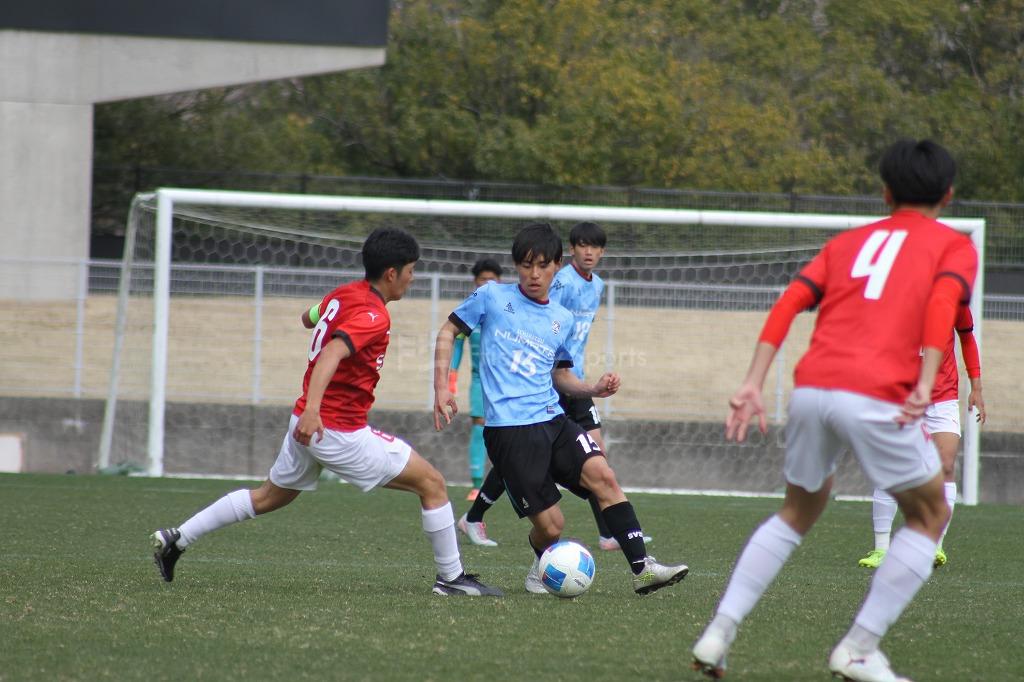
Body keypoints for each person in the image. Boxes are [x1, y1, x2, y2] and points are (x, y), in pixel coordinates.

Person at [691, 139, 977, 681]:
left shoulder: (846, 242)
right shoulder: (954, 246)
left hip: (812, 389)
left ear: (885, 192)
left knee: (797, 511)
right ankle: (860, 648)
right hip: (876, 394)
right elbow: (943, 305)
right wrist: (925, 381)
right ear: (948, 194)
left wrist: (753, 381)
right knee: (931, 514)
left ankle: (718, 633)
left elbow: (789, 302)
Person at [151, 227, 502, 597]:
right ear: (391, 273)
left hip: (307, 421)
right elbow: (333, 352)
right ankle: (451, 578)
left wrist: (310, 407)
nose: (413, 279)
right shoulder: (374, 315)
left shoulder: (345, 293)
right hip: (334, 429)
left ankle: (178, 538)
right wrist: (315, 411)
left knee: (268, 497)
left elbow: (308, 318)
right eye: (411, 271)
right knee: (432, 483)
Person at [435, 222, 688, 595]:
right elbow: (447, 331)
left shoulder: (561, 318)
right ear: (516, 266)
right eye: (526, 265)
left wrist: (593, 389)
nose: (534, 274)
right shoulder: (491, 296)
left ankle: (643, 569)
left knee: (604, 475)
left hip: (554, 420)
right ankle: (539, 564)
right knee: (552, 526)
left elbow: (560, 374)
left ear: (556, 265)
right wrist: (442, 386)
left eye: (542, 265)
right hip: (510, 431)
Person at [459, 222, 650, 551]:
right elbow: (539, 318)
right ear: (570, 251)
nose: (589, 252)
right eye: (582, 245)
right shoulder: (559, 282)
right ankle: (475, 516)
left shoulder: (597, 285)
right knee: (528, 454)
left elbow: (568, 333)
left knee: (597, 456)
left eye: (595, 246)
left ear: (603, 251)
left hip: (573, 377)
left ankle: (609, 534)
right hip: (545, 383)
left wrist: (591, 385)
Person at [858, 312, 986, 570]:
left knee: (945, 467)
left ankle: (935, 546)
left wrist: (977, 387)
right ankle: (881, 549)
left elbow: (967, 337)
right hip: (901, 395)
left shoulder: (954, 297)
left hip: (943, 398)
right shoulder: (899, 293)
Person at [449, 258, 503, 505]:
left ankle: (508, 481)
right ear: (475, 282)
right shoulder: (470, 311)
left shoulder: (507, 311)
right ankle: (476, 484)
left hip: (505, 381)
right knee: (479, 426)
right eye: (483, 279)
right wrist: (452, 377)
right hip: (479, 379)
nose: (488, 284)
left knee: (508, 430)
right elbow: (457, 343)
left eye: (492, 280)